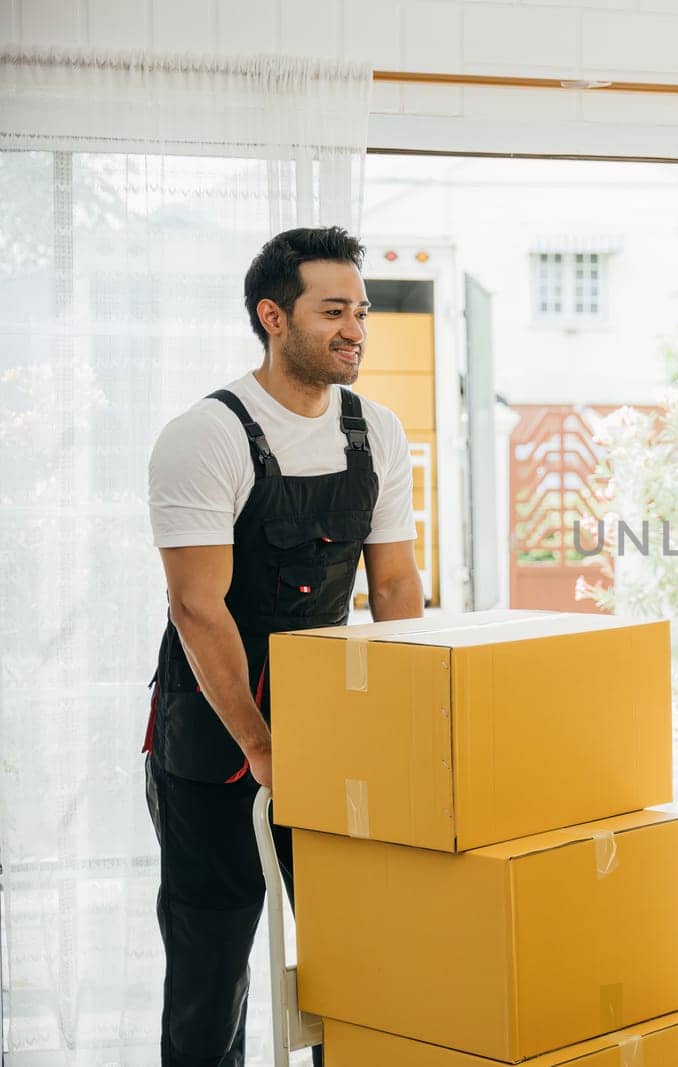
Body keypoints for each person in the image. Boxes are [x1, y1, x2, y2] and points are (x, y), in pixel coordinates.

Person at [143, 226, 423, 1065]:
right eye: (333, 310)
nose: (356, 329)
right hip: (216, 731)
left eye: (362, 311)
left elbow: (398, 588)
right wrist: (261, 744)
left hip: (333, 729)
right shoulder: (208, 434)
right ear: (274, 317)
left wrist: (406, 723)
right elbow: (197, 606)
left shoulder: (376, 431)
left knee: (354, 954)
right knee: (212, 963)